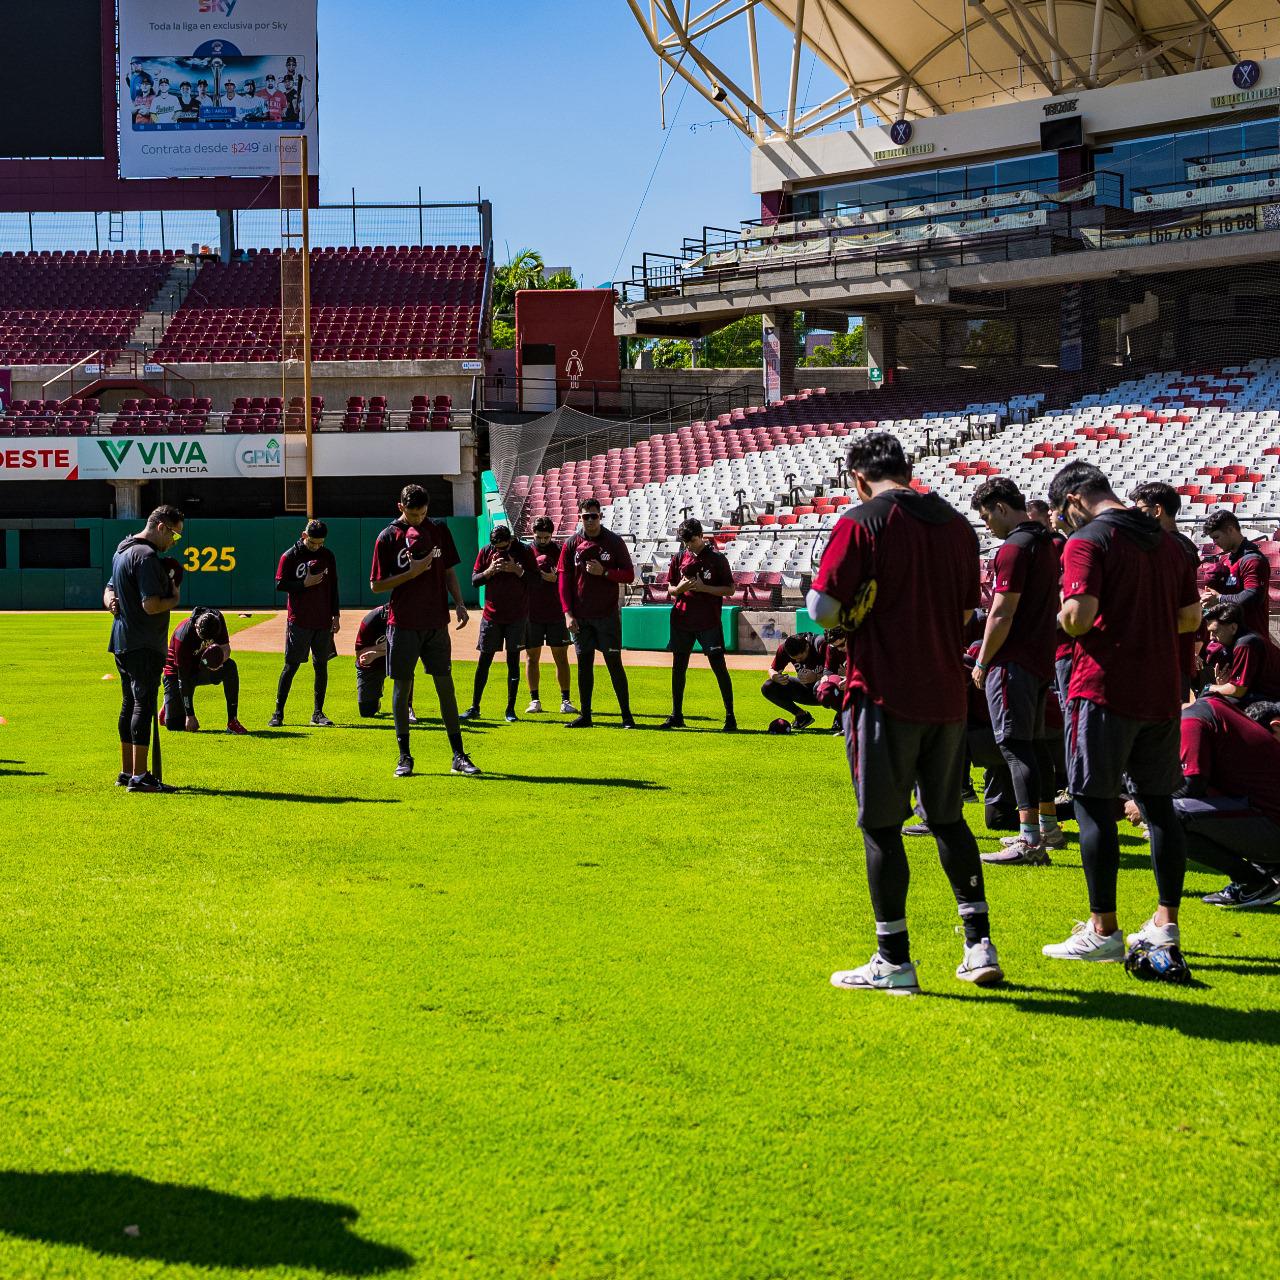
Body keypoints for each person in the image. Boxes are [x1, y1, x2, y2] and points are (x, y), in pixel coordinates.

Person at [808, 432, 1000, 994]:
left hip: (885, 692)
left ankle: (894, 959)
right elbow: (967, 609)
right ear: (906, 469)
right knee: (947, 819)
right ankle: (978, 944)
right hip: (946, 694)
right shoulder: (959, 525)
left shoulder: (862, 521)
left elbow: (822, 611)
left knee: (881, 826)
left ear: (858, 477)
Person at [1043, 461, 1201, 964]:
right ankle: (1165, 923)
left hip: (1105, 688)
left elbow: (1079, 617)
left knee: (1093, 803)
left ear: (1072, 501)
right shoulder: (1173, 542)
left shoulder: (1087, 540)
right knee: (1158, 808)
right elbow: (1191, 617)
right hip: (1160, 692)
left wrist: (1061, 615)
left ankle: (1102, 928)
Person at [970, 477, 1063, 865]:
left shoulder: (1014, 548)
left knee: (1014, 745)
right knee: (1035, 743)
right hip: (1042, 658)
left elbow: (1002, 612)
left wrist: (982, 660)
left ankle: (1029, 841)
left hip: (1013, 661)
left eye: (986, 514)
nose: (986, 523)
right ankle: (1049, 828)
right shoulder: (1047, 543)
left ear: (1001, 507)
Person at [370, 483, 478, 777]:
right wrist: (411, 573)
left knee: (446, 686)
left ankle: (458, 755)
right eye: (413, 513)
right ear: (400, 507)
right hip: (403, 623)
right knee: (402, 687)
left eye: (422, 512)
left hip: (435, 623)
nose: (418, 518)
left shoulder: (439, 529)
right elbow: (376, 585)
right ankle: (404, 756)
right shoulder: (388, 537)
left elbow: (449, 570)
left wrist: (458, 602)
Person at [1169, 696, 1280, 908]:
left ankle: (1253, 881)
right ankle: (1269, 867)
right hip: (1267, 816)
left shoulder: (1191, 720)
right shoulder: (1213, 707)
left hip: (1271, 824)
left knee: (1168, 813)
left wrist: (1145, 803)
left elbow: (1193, 784)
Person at [105, 505, 184, 792]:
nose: (173, 542)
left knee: (129, 703)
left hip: (122, 641)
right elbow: (150, 605)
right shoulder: (147, 556)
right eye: (174, 535)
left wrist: (111, 602)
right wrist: (174, 598)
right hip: (144, 642)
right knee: (143, 704)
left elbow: (109, 588)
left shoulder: (123, 550)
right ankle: (139, 777)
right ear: (161, 526)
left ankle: (127, 772)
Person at [558, 497, 636, 729]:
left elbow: (629, 575)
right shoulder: (571, 544)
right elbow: (563, 579)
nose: (590, 520)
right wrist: (567, 613)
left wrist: (604, 572)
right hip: (581, 616)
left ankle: (626, 716)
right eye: (585, 516)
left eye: (594, 516)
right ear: (579, 517)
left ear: (600, 516)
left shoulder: (613, 542)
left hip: (606, 615)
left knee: (614, 663)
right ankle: (586, 715)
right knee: (584, 665)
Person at [662, 518, 736, 731]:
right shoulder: (678, 558)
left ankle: (730, 715)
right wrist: (678, 589)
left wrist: (704, 589)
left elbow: (730, 589)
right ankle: (677, 714)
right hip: (682, 619)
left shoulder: (717, 559)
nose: (688, 545)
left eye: (692, 541)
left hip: (708, 621)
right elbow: (670, 587)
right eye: (685, 542)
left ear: (701, 536)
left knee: (719, 667)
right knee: (678, 668)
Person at [1131, 481, 1203, 699]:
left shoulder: (1168, 546)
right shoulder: (1183, 545)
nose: (1135, 515)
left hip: (1165, 650)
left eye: (1140, 509)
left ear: (1157, 511)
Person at [463, 525, 538, 722]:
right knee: (484, 662)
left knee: (513, 663)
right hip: (491, 617)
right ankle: (474, 707)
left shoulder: (523, 551)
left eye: (504, 548)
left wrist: (516, 570)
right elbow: (474, 580)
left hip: (516, 617)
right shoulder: (486, 551)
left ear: (511, 540)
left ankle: (510, 709)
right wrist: (489, 571)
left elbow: (536, 580)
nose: (500, 552)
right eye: (497, 548)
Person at [271, 519, 340, 727]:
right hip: (299, 620)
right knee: (291, 666)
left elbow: (333, 586)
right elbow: (280, 584)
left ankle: (318, 713)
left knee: (321, 666)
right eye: (312, 542)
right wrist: (304, 584)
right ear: (304, 536)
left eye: (320, 543)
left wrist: (335, 615)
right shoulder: (290, 556)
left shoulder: (327, 555)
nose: (316, 546)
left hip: (322, 621)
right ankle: (278, 713)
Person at [161, 607, 246, 734]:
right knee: (175, 725)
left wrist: (219, 661)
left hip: (203, 667)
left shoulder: (217, 620)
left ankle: (232, 721)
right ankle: (169, 704)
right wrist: (190, 715)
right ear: (196, 626)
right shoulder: (182, 636)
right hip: (177, 674)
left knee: (230, 667)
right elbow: (183, 679)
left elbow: (226, 649)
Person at [524, 517, 576, 715]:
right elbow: (521, 577)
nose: (542, 541)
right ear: (533, 532)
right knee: (531, 657)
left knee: (561, 657)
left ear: (552, 535)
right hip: (532, 612)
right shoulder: (527, 551)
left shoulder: (560, 551)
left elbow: (569, 578)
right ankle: (534, 700)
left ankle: (565, 700)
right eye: (539, 537)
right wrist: (537, 576)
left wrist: (556, 579)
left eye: (546, 537)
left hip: (556, 613)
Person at [1202, 508, 1272, 638]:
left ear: (1230, 530)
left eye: (1216, 537)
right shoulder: (1225, 560)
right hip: (1229, 639)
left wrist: (1219, 599)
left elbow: (1253, 596)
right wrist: (1208, 603)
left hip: (1251, 640)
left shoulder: (1253, 560)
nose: (1214, 542)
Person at [1201, 600, 1280, 703]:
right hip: (1262, 695)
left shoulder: (1245, 644)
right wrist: (1223, 684)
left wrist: (1209, 687)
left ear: (1233, 628)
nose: (1211, 638)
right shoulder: (1240, 640)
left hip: (1272, 698)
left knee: (1209, 700)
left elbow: (1237, 690)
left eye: (1215, 632)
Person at [354, 603, 415, 721]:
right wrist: (390, 645)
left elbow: (409, 649)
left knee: (406, 664)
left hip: (394, 660)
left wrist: (376, 652)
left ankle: (407, 706)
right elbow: (360, 654)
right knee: (367, 711)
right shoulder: (371, 620)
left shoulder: (407, 618)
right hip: (373, 665)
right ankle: (375, 699)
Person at [761, 632, 828, 730]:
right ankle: (802, 716)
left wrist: (816, 677)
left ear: (807, 647)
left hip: (826, 691)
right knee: (768, 686)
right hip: (806, 691)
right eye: (794, 659)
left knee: (824, 684)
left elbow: (840, 673)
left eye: (800, 658)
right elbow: (772, 669)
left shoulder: (821, 644)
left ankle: (841, 716)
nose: (798, 661)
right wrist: (774, 676)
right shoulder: (784, 648)